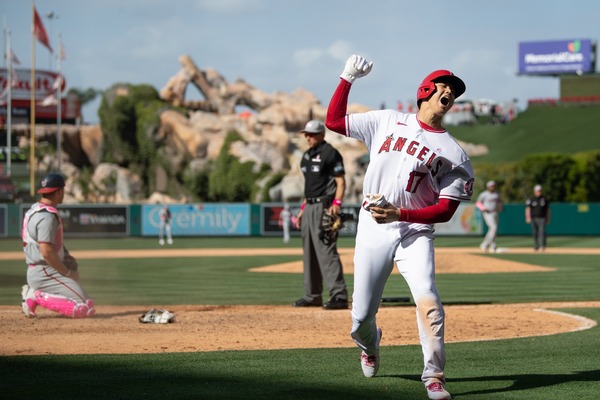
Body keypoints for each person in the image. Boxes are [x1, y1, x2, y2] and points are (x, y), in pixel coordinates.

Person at [325, 55, 474, 400]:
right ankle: (370, 344)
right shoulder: (387, 121)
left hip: (414, 232)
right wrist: (347, 78)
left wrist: (401, 216)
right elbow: (333, 121)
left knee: (430, 302)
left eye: (454, 90)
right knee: (361, 316)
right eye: (444, 85)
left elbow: (446, 210)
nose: (449, 92)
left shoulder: (454, 153)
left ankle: (434, 376)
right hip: (374, 223)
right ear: (425, 90)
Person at [21, 173, 95, 318]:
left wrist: (65, 255)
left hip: (42, 269)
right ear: (59, 191)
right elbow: (47, 252)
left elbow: (51, 244)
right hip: (46, 271)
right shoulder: (47, 217)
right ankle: (35, 295)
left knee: (89, 304)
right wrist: (68, 273)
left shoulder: (35, 209)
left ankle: (32, 297)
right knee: (82, 309)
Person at [293, 119, 349, 310]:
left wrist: (337, 203)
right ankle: (312, 295)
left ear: (321, 135)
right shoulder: (306, 156)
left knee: (326, 250)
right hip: (309, 206)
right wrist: (302, 210)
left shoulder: (330, 153)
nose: (308, 137)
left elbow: (340, 182)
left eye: (312, 134)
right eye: (306, 134)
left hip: (324, 206)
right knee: (309, 252)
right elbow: (309, 188)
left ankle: (339, 296)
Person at [476, 180, 504, 253]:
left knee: (493, 229)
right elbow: (478, 203)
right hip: (487, 212)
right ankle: (485, 244)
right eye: (491, 186)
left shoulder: (496, 194)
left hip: (495, 212)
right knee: (493, 228)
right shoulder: (484, 194)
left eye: (493, 186)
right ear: (488, 187)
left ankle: (493, 246)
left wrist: (500, 207)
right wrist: (483, 208)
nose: (492, 187)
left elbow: (500, 202)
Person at [525, 184, 550, 251]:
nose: (539, 192)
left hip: (542, 218)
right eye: (537, 191)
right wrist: (527, 217)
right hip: (533, 218)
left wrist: (548, 218)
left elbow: (547, 210)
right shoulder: (531, 199)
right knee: (535, 232)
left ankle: (542, 245)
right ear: (534, 192)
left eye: (540, 191)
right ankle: (536, 245)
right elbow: (527, 209)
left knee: (542, 232)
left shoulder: (544, 199)